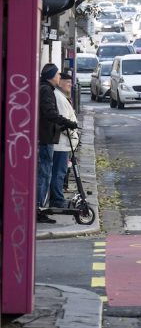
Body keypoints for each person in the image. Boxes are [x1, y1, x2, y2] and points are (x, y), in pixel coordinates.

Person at [37, 63, 78, 223]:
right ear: (51, 76)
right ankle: (39, 209)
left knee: (46, 173)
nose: (59, 77)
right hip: (47, 138)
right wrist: (67, 123)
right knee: (45, 174)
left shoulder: (47, 89)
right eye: (57, 75)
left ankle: (40, 207)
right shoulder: (47, 90)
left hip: (48, 137)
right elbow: (50, 113)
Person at [49, 70, 79, 209]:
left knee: (60, 171)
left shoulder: (60, 96)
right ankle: (57, 199)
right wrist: (73, 133)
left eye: (71, 82)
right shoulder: (59, 97)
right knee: (59, 172)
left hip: (63, 143)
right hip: (61, 143)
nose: (70, 85)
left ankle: (57, 197)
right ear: (60, 82)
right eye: (67, 82)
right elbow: (62, 121)